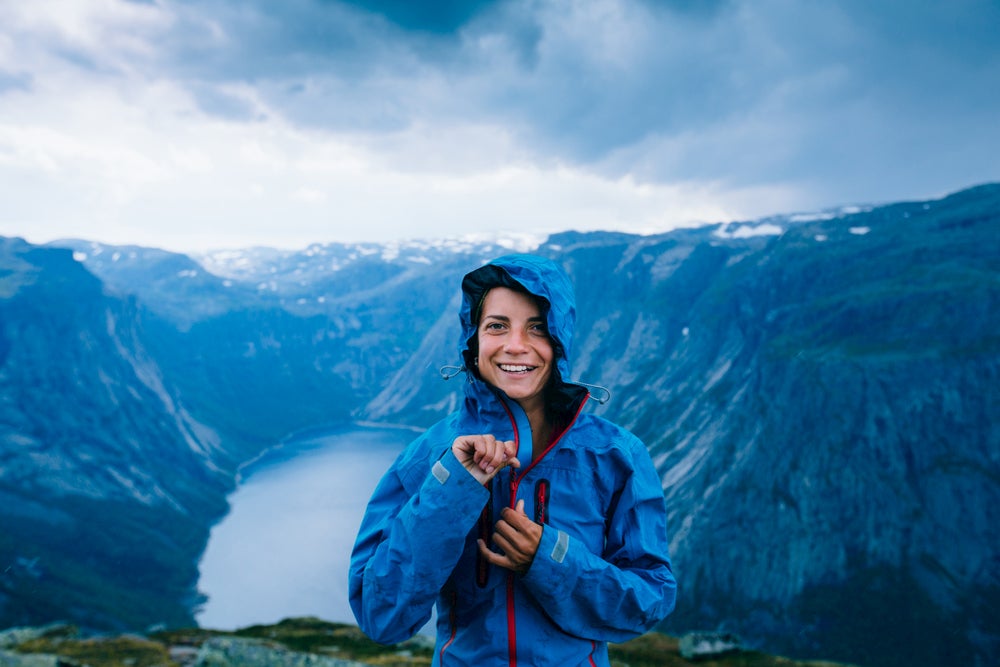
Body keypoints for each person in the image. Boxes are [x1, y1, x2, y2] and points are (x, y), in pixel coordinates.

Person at [349, 254, 676, 666]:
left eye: (537, 327)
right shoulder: (431, 458)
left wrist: (550, 559)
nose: (516, 345)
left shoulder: (615, 457)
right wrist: (451, 489)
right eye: (497, 326)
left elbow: (650, 598)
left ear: (560, 340)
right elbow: (381, 616)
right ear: (474, 340)